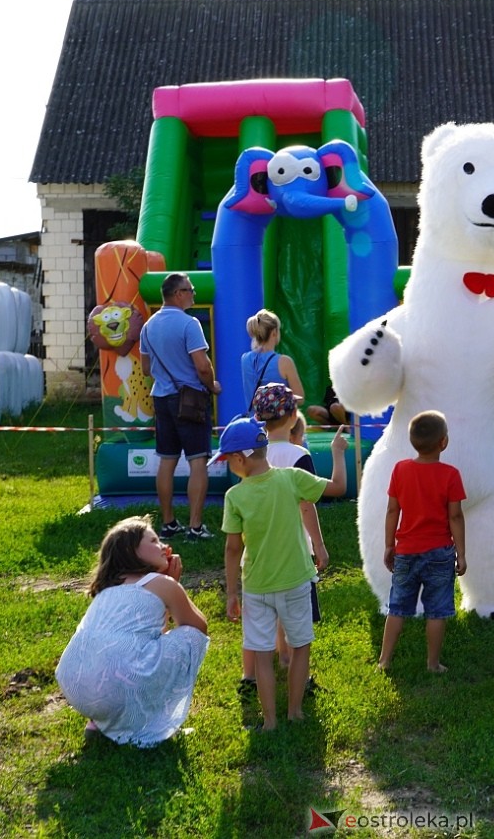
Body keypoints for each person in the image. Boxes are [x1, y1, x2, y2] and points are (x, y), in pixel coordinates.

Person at [220, 416, 347, 730]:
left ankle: (270, 722)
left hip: (256, 587)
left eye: (227, 460)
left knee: (262, 655)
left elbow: (233, 550)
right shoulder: (292, 478)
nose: (228, 466)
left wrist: (232, 592)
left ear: (240, 459)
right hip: (295, 582)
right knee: (300, 645)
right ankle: (295, 712)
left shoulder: (234, 497)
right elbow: (340, 488)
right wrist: (338, 452)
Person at [55, 516, 210, 746]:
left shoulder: (108, 588)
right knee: (189, 638)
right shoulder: (163, 584)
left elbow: (148, 635)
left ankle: (97, 723)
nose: (164, 547)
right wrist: (175, 586)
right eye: (154, 540)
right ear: (131, 550)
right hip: (117, 684)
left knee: (118, 654)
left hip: (73, 683)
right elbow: (198, 627)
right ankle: (152, 726)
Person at [234, 383, 329, 698]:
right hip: (293, 549)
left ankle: (250, 677)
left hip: (257, 548)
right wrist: (319, 544)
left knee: (261, 612)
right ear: (291, 416)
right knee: (294, 611)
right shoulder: (298, 454)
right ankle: (291, 664)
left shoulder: (250, 455)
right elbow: (306, 504)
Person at [377, 410, 467, 673]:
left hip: (405, 551)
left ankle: (384, 661)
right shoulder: (450, 475)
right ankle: (432, 663)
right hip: (440, 552)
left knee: (397, 608)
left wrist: (388, 545)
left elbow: (393, 510)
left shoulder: (400, 470)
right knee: (437, 611)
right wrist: (460, 553)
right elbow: (456, 516)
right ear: (444, 442)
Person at [139, 273, 221, 542]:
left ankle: (168, 523)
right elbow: (202, 365)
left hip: (161, 398)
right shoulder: (190, 324)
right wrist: (212, 386)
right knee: (198, 461)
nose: (193, 294)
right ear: (178, 294)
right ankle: (195, 527)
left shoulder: (147, 326)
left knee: (167, 461)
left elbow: (146, 368)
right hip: (189, 400)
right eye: (190, 290)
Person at [241, 309, 305, 413]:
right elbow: (300, 398)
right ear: (274, 332)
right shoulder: (285, 362)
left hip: (255, 422)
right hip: (279, 425)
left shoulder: (245, 359)